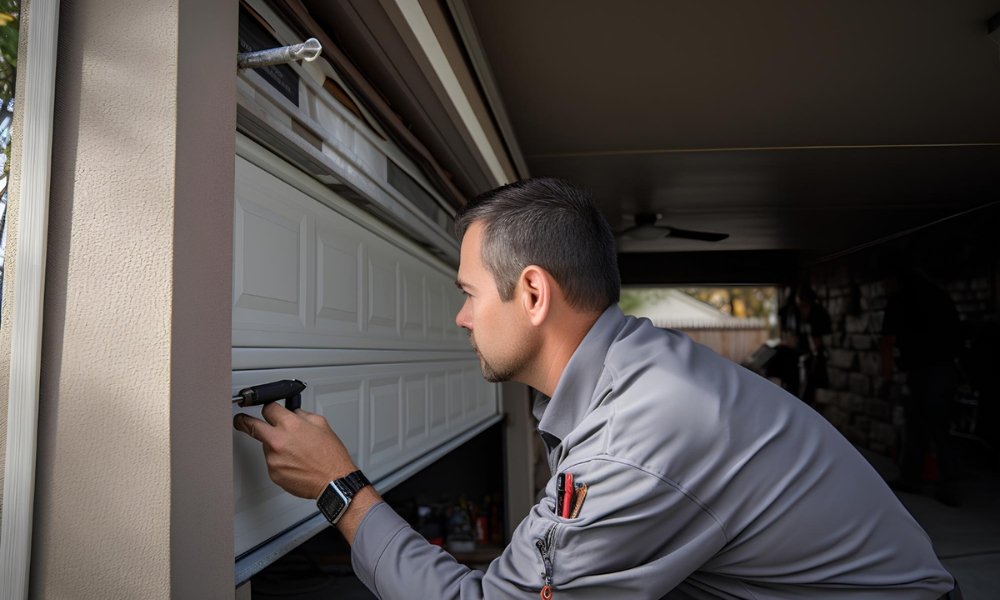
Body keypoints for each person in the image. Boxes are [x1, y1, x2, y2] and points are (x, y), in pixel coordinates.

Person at [235, 178, 956, 599]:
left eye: (468, 293)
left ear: (535, 293)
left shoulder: (638, 434)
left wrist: (341, 491)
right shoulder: (638, 368)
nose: (460, 317)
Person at [881, 263, 963, 507]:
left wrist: (886, 378)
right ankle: (942, 483)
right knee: (939, 428)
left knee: (917, 426)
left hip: (920, 370)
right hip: (945, 369)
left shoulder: (899, 301)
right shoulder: (941, 297)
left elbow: (888, 342)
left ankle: (915, 478)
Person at [775, 286, 831, 404]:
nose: (801, 310)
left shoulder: (817, 316)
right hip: (794, 362)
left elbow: (816, 345)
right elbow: (789, 338)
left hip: (812, 363)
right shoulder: (793, 315)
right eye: (799, 306)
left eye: (804, 306)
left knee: (809, 397)